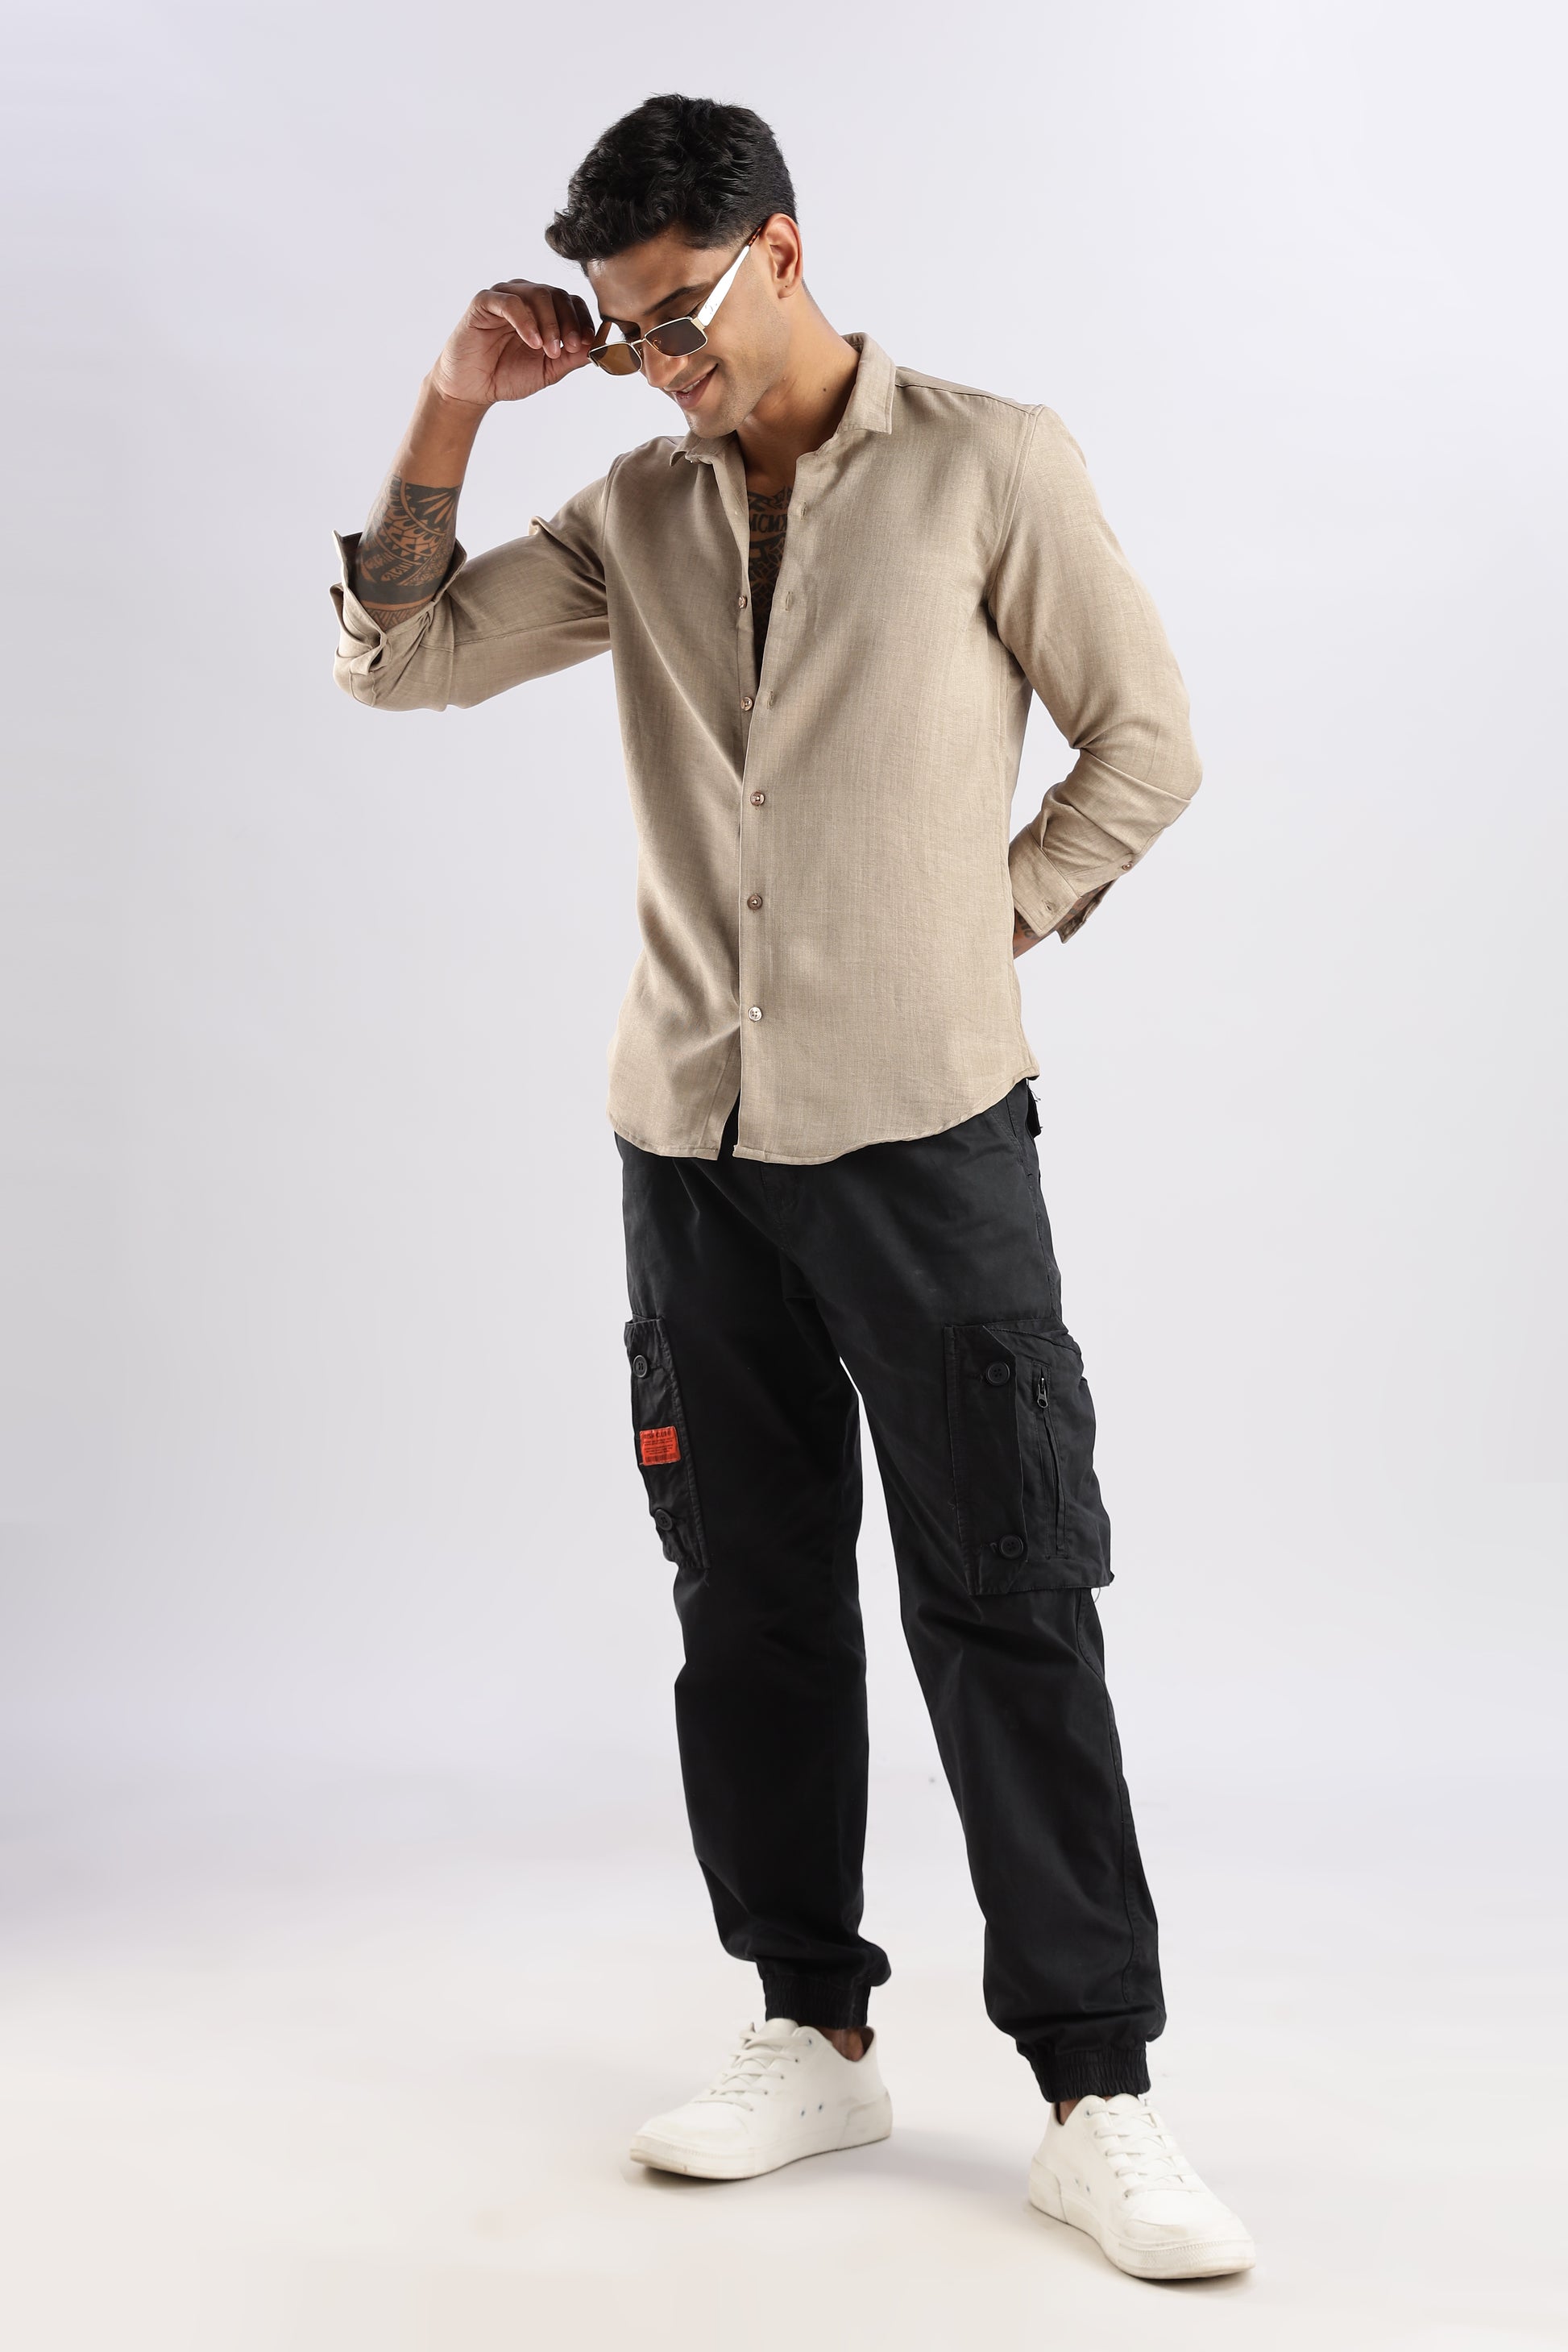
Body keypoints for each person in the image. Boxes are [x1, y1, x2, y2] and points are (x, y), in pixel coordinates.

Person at [330, 93, 1254, 2283]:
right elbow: (399, 656)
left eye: (678, 315)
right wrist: (451, 404)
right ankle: (809, 2026)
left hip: (925, 1130)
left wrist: (987, 923)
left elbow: (1144, 743)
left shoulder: (985, 463)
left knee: (1006, 1587)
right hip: (692, 1141)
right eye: (625, 331)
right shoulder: (635, 510)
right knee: (743, 1597)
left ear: (782, 248)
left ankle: (1096, 2091)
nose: (656, 363)